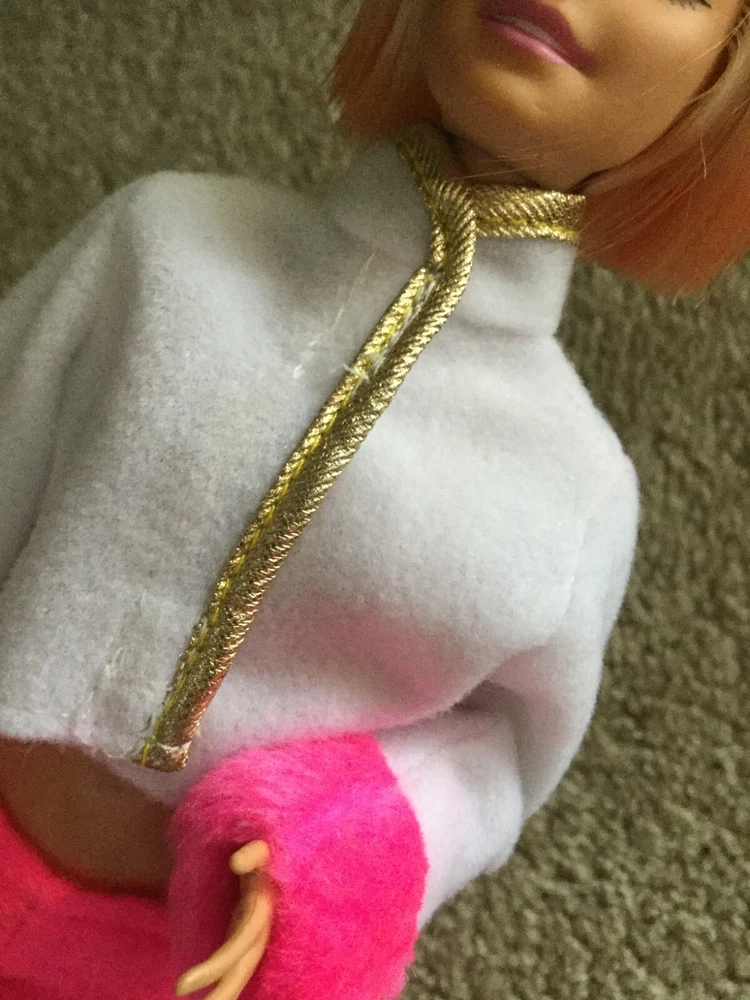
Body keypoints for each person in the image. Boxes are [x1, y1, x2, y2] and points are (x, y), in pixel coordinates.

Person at [1, 2, 748, 999]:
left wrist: (340, 848)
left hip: (178, 970)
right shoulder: (162, 243)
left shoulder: (578, 494)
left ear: (719, 86)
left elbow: (499, 763)